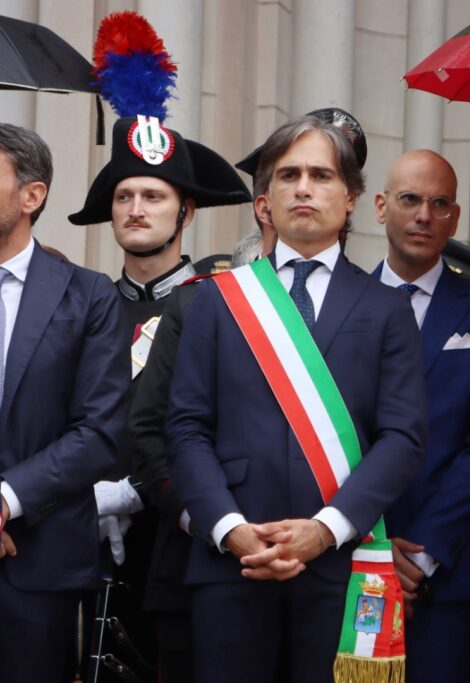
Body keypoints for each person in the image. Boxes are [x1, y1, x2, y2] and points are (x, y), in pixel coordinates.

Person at [164, 114, 426, 681]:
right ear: (266, 199)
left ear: (352, 197)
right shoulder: (216, 301)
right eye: (288, 175)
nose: (304, 188)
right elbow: (185, 427)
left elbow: (402, 438)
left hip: (340, 563)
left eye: (321, 175)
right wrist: (228, 527)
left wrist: (326, 529)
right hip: (232, 563)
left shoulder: (386, 308)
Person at [66, 114, 251, 677]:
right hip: (81, 535)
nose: (135, 208)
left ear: (186, 212)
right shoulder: (80, 304)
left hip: (180, 539)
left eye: (153, 194)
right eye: (123, 195)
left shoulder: (220, 306)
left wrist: (140, 491)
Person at [372, 149, 470, 681]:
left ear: (455, 217)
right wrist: (371, 544)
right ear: (381, 206)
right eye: (410, 200)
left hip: (448, 570)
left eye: (439, 204)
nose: (423, 216)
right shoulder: (342, 301)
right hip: (349, 562)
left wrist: (422, 555)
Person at [0, 123, 129, 682]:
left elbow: (101, 432)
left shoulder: (88, 295)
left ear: (33, 196)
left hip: (38, 564)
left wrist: (6, 500)